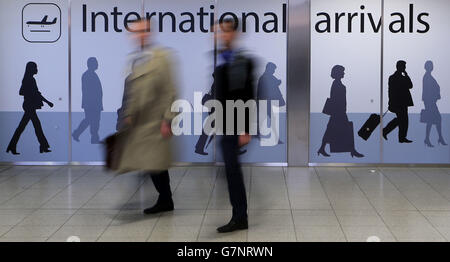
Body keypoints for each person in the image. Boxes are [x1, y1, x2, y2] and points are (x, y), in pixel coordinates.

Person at [116, 18, 178, 215]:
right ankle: (165, 198)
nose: (139, 35)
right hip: (139, 122)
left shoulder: (162, 58)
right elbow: (132, 90)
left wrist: (168, 120)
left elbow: (170, 91)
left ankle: (165, 199)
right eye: (136, 32)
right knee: (152, 162)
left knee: (155, 162)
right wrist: (127, 114)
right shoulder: (136, 59)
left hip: (155, 120)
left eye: (143, 31)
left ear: (149, 32)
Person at [214, 18, 255, 233]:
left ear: (235, 34)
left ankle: (240, 217)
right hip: (223, 122)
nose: (223, 35)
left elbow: (248, 96)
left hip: (235, 123)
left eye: (227, 31)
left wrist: (245, 128)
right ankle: (239, 215)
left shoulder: (243, 61)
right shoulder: (221, 59)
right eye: (220, 32)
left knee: (232, 171)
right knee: (230, 171)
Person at [6, 62, 53, 155]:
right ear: (31, 69)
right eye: (35, 67)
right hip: (29, 106)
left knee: (24, 127)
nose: (37, 69)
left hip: (29, 106)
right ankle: (43, 146)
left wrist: (47, 102)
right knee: (36, 126)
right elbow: (23, 92)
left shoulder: (30, 79)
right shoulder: (29, 79)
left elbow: (36, 93)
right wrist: (46, 102)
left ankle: (12, 146)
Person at [317, 65, 364, 158]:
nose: (344, 73)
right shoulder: (337, 84)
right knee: (345, 131)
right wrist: (341, 110)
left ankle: (322, 148)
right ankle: (352, 150)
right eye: (342, 71)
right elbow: (337, 99)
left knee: (331, 130)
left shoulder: (336, 83)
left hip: (338, 112)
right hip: (339, 112)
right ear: (338, 73)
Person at [72, 57, 103, 144]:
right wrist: (94, 103)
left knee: (94, 120)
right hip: (91, 103)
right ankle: (77, 133)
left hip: (94, 103)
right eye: (96, 63)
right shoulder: (88, 75)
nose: (97, 64)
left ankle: (93, 138)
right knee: (90, 119)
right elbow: (88, 91)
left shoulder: (92, 74)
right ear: (91, 64)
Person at [383, 60, 414, 143]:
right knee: (403, 120)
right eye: (403, 66)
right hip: (398, 103)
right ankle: (399, 137)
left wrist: (406, 75)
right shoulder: (393, 77)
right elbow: (390, 91)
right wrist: (390, 102)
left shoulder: (401, 77)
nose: (404, 68)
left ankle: (397, 135)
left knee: (401, 120)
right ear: (399, 67)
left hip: (403, 103)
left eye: (405, 67)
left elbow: (410, 86)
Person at [256, 62, 285, 144]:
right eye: (273, 69)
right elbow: (272, 84)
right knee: (269, 120)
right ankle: (275, 138)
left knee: (265, 120)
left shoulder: (265, 77)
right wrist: (278, 82)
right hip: (265, 102)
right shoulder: (266, 77)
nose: (274, 71)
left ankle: (274, 138)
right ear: (269, 68)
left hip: (264, 102)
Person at [422, 61, 447, 147]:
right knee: (436, 119)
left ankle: (430, 138)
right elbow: (428, 90)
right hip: (430, 102)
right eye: (431, 65)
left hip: (430, 101)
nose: (432, 67)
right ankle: (437, 138)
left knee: (433, 120)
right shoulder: (427, 77)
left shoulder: (428, 77)